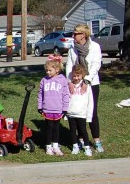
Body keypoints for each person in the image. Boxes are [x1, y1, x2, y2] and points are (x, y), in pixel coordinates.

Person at [65, 24, 104, 153]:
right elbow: (69, 66)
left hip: (91, 83)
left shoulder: (94, 47)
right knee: (78, 111)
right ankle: (80, 139)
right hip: (75, 83)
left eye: (75, 33)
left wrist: (86, 80)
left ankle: (97, 140)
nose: (73, 36)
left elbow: (95, 65)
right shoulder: (72, 49)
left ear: (83, 35)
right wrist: (70, 81)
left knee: (92, 111)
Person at [37, 55, 70, 156]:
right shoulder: (44, 80)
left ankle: (55, 146)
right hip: (47, 109)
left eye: (50, 70)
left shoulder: (62, 80)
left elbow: (65, 94)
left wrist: (65, 108)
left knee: (56, 128)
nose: (47, 72)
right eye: (46, 70)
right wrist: (40, 107)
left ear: (57, 69)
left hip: (58, 109)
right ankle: (48, 147)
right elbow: (40, 94)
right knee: (49, 128)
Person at [66, 64, 94, 156]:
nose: (76, 78)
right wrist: (66, 113)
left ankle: (87, 147)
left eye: (78, 76)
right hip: (71, 113)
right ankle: (75, 146)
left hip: (81, 114)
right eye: (74, 76)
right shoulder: (69, 85)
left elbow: (90, 101)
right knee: (72, 131)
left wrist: (89, 116)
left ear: (82, 75)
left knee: (83, 130)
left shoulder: (86, 86)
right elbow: (66, 99)